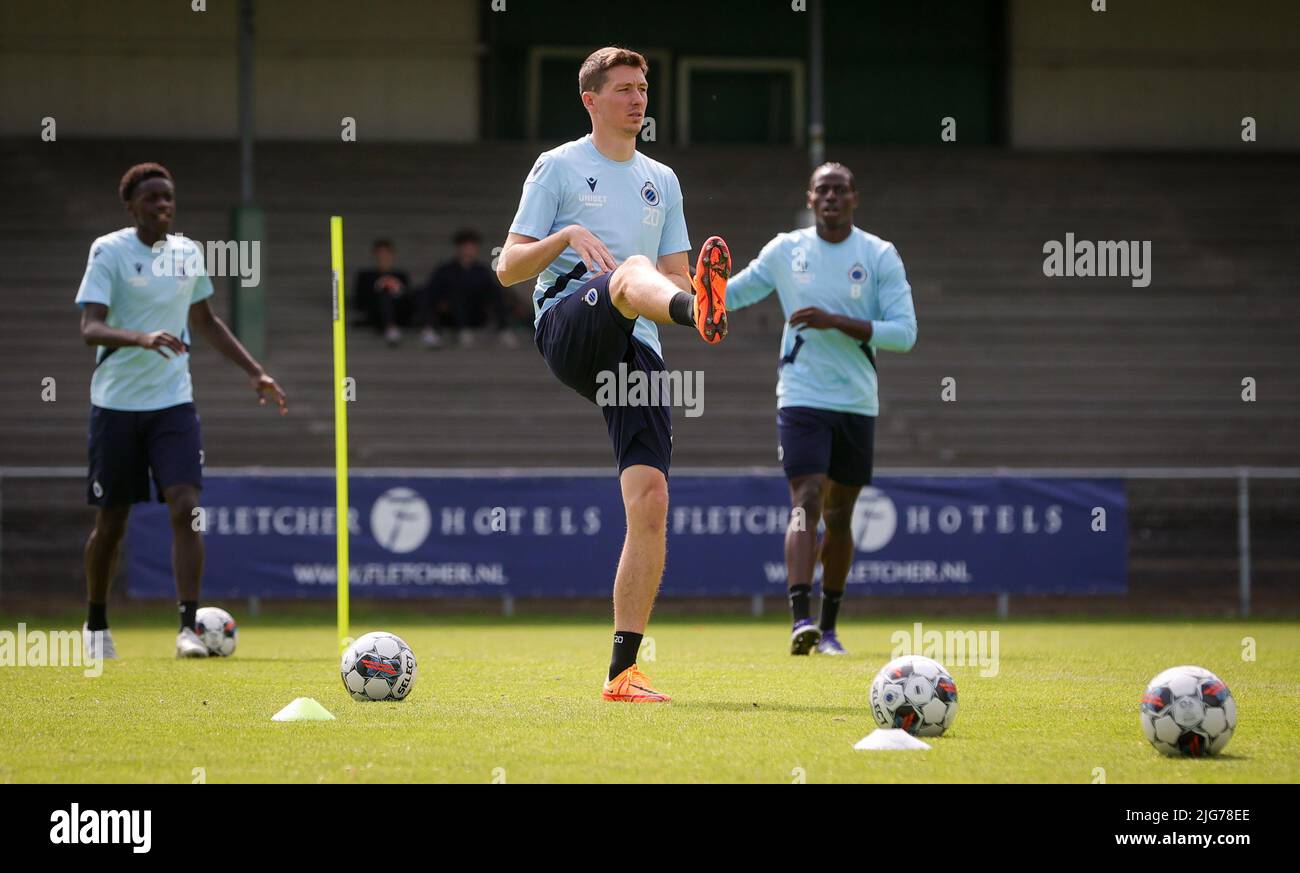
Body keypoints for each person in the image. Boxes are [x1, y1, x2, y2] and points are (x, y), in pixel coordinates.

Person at [496, 46, 730, 702]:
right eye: (624, 88)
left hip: (639, 343)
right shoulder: (559, 167)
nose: (637, 99)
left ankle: (623, 672)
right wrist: (566, 235)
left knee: (651, 500)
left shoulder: (663, 179)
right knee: (629, 272)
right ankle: (697, 315)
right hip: (568, 326)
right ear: (590, 99)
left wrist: (678, 293)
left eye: (643, 87)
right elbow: (507, 267)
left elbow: (679, 271)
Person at [76, 162, 288, 659]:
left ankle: (188, 628)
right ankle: (96, 625)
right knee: (112, 522)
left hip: (172, 404)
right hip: (115, 406)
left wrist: (255, 371)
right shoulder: (108, 251)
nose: (163, 206)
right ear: (131, 206)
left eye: (168, 197)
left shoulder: (188, 254)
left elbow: (206, 321)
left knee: (187, 508)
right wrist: (141, 338)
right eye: (152, 198)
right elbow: (90, 327)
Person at [726, 162, 917, 656]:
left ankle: (829, 628)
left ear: (855, 197)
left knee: (839, 516)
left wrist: (836, 321)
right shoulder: (785, 250)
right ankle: (800, 620)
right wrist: (676, 289)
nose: (831, 197)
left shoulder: (878, 255)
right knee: (806, 498)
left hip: (855, 401)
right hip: (801, 395)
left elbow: (905, 333)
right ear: (809, 199)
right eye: (822, 190)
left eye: (840, 190)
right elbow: (731, 295)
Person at [426, 229, 519, 348]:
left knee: (496, 290)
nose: (469, 251)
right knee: (456, 293)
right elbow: (433, 292)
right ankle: (461, 331)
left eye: (472, 247)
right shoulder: (445, 270)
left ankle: (504, 329)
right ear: (459, 248)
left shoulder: (482, 271)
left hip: (477, 312)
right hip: (452, 314)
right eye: (466, 247)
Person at [352, 239, 414, 345]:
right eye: (380, 253)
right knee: (385, 295)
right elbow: (359, 301)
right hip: (376, 312)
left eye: (386, 253)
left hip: (399, 312)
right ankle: (390, 328)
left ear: (392, 255)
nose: (383, 256)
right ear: (375, 255)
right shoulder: (366, 276)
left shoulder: (401, 275)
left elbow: (407, 297)